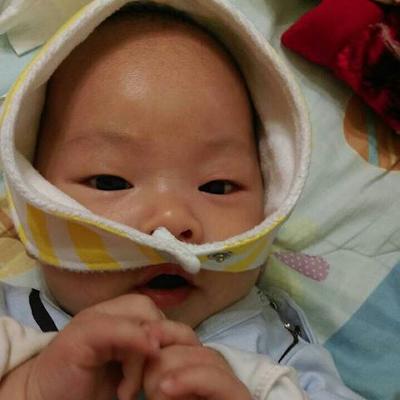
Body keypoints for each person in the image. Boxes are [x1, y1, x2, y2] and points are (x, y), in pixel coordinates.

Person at [0, 1, 364, 399]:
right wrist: (29, 388)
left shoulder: (282, 355)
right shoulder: (10, 326)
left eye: (217, 186)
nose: (173, 220)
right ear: (31, 207)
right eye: (109, 181)